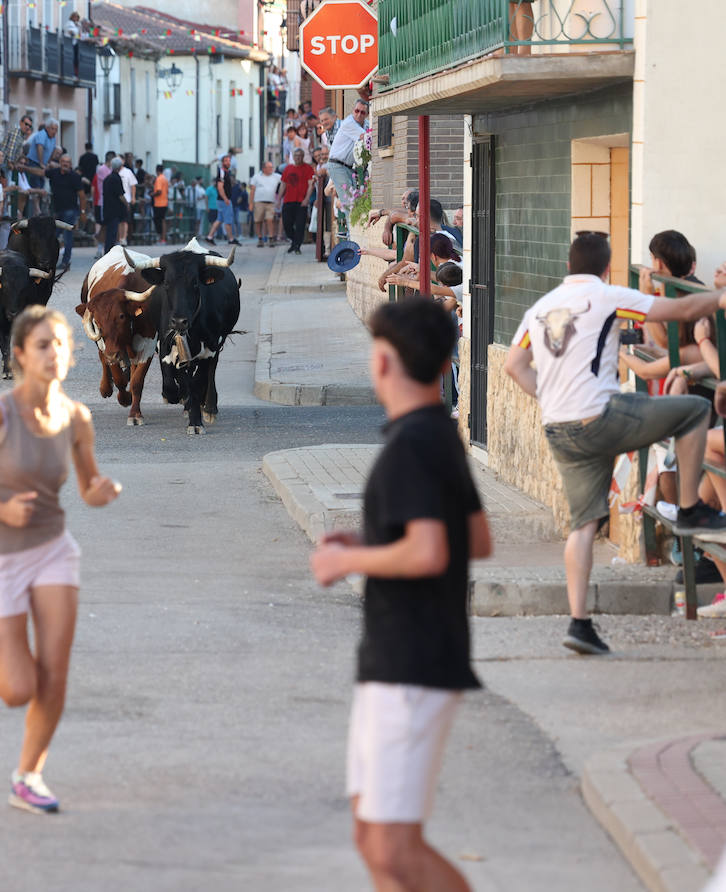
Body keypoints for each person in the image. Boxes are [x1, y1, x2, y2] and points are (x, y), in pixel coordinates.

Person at [310, 297, 490, 892]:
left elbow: (431, 551)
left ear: (384, 362)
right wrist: (372, 537)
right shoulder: (436, 433)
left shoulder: (412, 445)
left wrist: (348, 558)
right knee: (374, 839)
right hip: (401, 659)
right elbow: (476, 537)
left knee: (393, 846)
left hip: (412, 665)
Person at [0, 305, 120, 815]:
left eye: (60, 344)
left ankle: (29, 774)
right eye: (42, 345)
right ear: (19, 355)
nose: (53, 353)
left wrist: (102, 492)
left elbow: (87, 488)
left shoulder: (77, 418)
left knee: (55, 673)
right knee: (18, 689)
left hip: (54, 552)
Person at [503, 233, 726, 655]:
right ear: (606, 267)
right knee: (694, 413)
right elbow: (677, 308)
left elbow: (515, 366)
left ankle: (579, 623)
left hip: (559, 427)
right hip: (600, 416)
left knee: (584, 526)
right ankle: (692, 508)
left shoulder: (539, 308)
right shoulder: (607, 296)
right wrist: (717, 301)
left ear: (569, 265)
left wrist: (550, 396)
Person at [323, 100, 368, 238]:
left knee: (354, 201)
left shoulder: (365, 124)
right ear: (352, 111)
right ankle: (353, 236)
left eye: (363, 112)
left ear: (366, 114)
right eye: (357, 111)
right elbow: (366, 137)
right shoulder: (349, 123)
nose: (359, 114)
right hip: (338, 165)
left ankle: (354, 233)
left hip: (348, 167)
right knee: (350, 203)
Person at [46, 154, 87, 271]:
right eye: (63, 161)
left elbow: (82, 196)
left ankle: (65, 262)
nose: (65, 164)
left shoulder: (75, 176)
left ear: (71, 164)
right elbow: (41, 172)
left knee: (67, 236)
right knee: (52, 236)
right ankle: (50, 260)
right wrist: (25, 168)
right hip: (56, 211)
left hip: (70, 211)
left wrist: (83, 212)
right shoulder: (54, 173)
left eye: (68, 162)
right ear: (59, 162)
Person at [281, 148, 314, 254]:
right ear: (293, 156)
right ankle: (294, 242)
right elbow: (283, 184)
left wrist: (306, 199)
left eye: (300, 155)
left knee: (300, 225)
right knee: (287, 225)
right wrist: (278, 199)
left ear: (303, 156)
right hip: (288, 200)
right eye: (296, 155)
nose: (298, 157)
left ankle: (297, 246)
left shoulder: (308, 168)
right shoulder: (287, 168)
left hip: (301, 202)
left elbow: (311, 185)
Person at [250, 161, 282, 247]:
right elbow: (252, 190)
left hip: (271, 202)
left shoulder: (276, 176)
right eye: (269, 167)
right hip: (259, 201)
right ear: (264, 168)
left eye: (272, 167)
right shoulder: (256, 177)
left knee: (270, 220)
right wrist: (251, 203)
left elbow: (284, 181)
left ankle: (271, 238)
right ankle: (260, 238)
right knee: (258, 220)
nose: (272, 169)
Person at [100, 157, 128, 255]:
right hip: (115, 209)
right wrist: (127, 204)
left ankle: (107, 252)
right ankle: (108, 254)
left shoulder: (107, 179)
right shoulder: (116, 178)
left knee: (109, 232)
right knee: (112, 233)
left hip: (107, 208)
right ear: (120, 167)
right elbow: (120, 195)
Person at [152, 166, 170, 244]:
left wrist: (152, 194)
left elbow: (159, 191)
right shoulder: (165, 179)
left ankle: (161, 239)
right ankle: (163, 238)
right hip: (164, 202)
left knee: (158, 221)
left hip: (159, 203)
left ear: (157, 170)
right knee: (162, 220)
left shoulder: (159, 179)